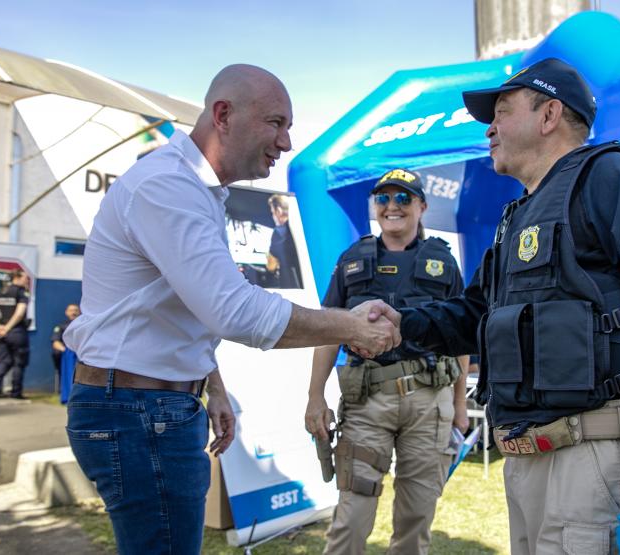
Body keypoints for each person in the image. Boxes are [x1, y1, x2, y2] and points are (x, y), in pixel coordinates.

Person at [368, 58, 620, 554]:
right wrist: (401, 324)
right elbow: (474, 315)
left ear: (549, 115)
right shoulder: (516, 217)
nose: (489, 129)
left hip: (592, 463)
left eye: (502, 113)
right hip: (528, 464)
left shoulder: (610, 177)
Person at [62, 64, 401, 555]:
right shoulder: (167, 186)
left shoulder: (193, 190)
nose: (286, 143)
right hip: (139, 410)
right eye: (276, 123)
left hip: (150, 405)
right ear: (223, 115)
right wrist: (350, 325)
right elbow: (234, 311)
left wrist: (212, 385)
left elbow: (186, 308)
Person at [305, 168, 469, 554]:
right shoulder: (352, 260)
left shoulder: (443, 262)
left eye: (403, 198)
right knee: (352, 516)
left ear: (421, 206)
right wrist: (314, 396)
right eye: (383, 198)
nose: (392, 206)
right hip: (367, 402)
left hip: (429, 403)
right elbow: (328, 330)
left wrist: (460, 404)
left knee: (416, 519)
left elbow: (460, 335)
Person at [0, 269, 32, 399]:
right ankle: (16, 393)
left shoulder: (1, 291)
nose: (27, 280)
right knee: (19, 363)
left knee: (4, 361)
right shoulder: (21, 292)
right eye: (25, 278)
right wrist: (7, 328)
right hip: (16, 331)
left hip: (2, 333)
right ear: (17, 277)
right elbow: (19, 314)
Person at [266, 193, 302, 288]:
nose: (273, 216)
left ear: (279, 211)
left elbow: (271, 266)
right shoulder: (301, 226)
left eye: (273, 213)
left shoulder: (278, 234)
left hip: (291, 287)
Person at [51, 303, 80, 394]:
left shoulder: (84, 326)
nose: (73, 312)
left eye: (76, 310)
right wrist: (66, 351)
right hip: (68, 356)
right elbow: (55, 342)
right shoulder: (61, 327)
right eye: (71, 310)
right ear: (66, 312)